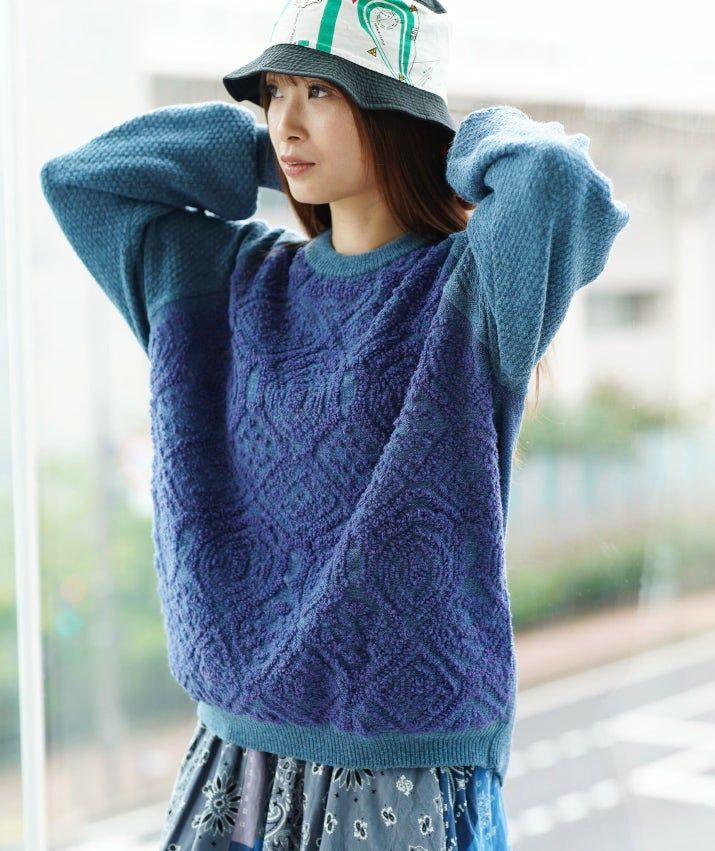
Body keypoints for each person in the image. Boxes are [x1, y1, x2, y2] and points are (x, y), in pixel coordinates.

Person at [39, 1, 630, 848]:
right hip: (237, 756)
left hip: (402, 767)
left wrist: (440, 141)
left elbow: (557, 183)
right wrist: (263, 156)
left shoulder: (466, 290)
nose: (285, 120)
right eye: (273, 93)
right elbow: (83, 181)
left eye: (320, 92)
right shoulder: (228, 281)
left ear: (394, 113)